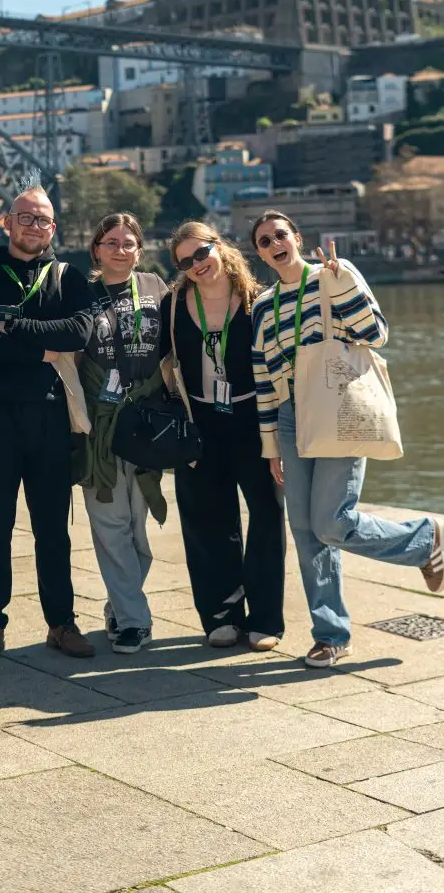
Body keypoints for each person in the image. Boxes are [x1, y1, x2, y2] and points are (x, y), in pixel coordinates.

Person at [251, 211, 443, 668]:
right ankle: (332, 634)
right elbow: (264, 375)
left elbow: (376, 334)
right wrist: (271, 444)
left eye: (281, 234)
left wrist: (343, 286)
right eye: (263, 240)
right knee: (305, 530)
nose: (274, 242)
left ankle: (425, 540)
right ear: (259, 253)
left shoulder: (334, 277)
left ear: (296, 238)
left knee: (331, 522)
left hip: (338, 407)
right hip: (292, 415)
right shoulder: (262, 305)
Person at [0, 173, 96, 663]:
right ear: (6, 222)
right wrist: (41, 351)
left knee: (53, 528)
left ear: (53, 228)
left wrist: (14, 327)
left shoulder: (68, 277)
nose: (34, 226)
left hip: (51, 418)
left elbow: (79, 332)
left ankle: (61, 623)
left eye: (43, 220)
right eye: (26, 217)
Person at [160, 222, 286, 652]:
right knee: (207, 522)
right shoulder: (174, 303)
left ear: (219, 247)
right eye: (184, 261)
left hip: (254, 419)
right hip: (200, 420)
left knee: (267, 517)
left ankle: (266, 619)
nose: (196, 265)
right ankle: (220, 616)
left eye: (202, 253)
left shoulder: (258, 301)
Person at [77, 213, 168, 654]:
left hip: (148, 424)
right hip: (100, 426)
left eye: (128, 243)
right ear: (96, 249)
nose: (119, 250)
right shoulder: (81, 293)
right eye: (110, 242)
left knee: (139, 529)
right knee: (110, 525)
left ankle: (120, 604)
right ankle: (134, 621)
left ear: (139, 249)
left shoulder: (157, 287)